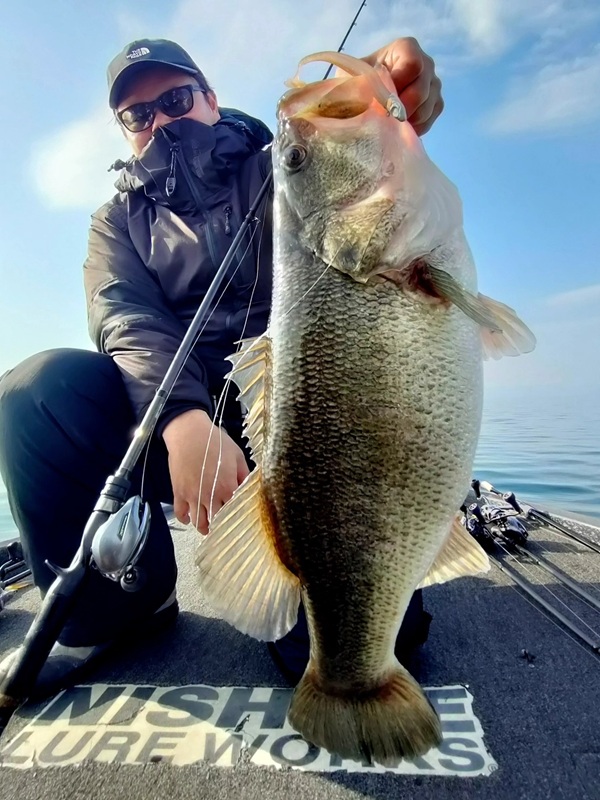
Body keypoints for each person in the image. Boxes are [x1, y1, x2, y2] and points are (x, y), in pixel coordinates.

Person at [0, 37, 444, 695]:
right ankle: (119, 611)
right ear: (124, 130)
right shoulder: (116, 221)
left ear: (210, 99)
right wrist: (181, 420)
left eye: (176, 98)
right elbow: (125, 317)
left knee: (350, 640)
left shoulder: (285, 167)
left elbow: (364, 181)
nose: (160, 119)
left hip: (302, 416)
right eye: (138, 113)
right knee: (36, 392)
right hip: (176, 427)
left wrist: (388, 94)